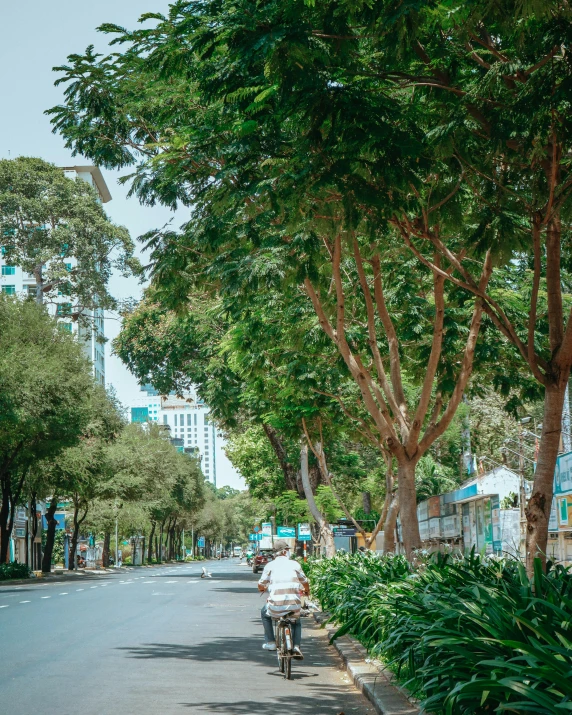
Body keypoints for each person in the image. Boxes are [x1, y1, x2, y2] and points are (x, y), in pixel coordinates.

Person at [257, 539, 309, 659]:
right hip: (293, 606)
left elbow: (261, 584)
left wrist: (262, 588)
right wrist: (307, 590)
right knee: (296, 621)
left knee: (264, 613)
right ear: (285, 552)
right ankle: (296, 646)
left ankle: (270, 642)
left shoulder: (270, 566)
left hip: (275, 606)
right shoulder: (295, 564)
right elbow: (305, 582)